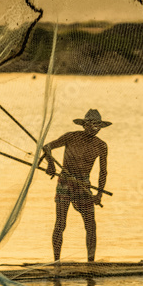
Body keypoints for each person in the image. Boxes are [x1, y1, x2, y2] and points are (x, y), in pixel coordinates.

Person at [40, 109, 109, 263]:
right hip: (65, 181)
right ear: (84, 125)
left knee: (91, 225)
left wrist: (99, 194)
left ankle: (91, 262)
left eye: (98, 126)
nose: (95, 129)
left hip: (83, 185)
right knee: (60, 222)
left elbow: (103, 171)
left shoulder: (101, 146)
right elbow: (47, 147)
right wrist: (50, 164)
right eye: (91, 125)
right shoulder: (71, 137)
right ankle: (56, 261)